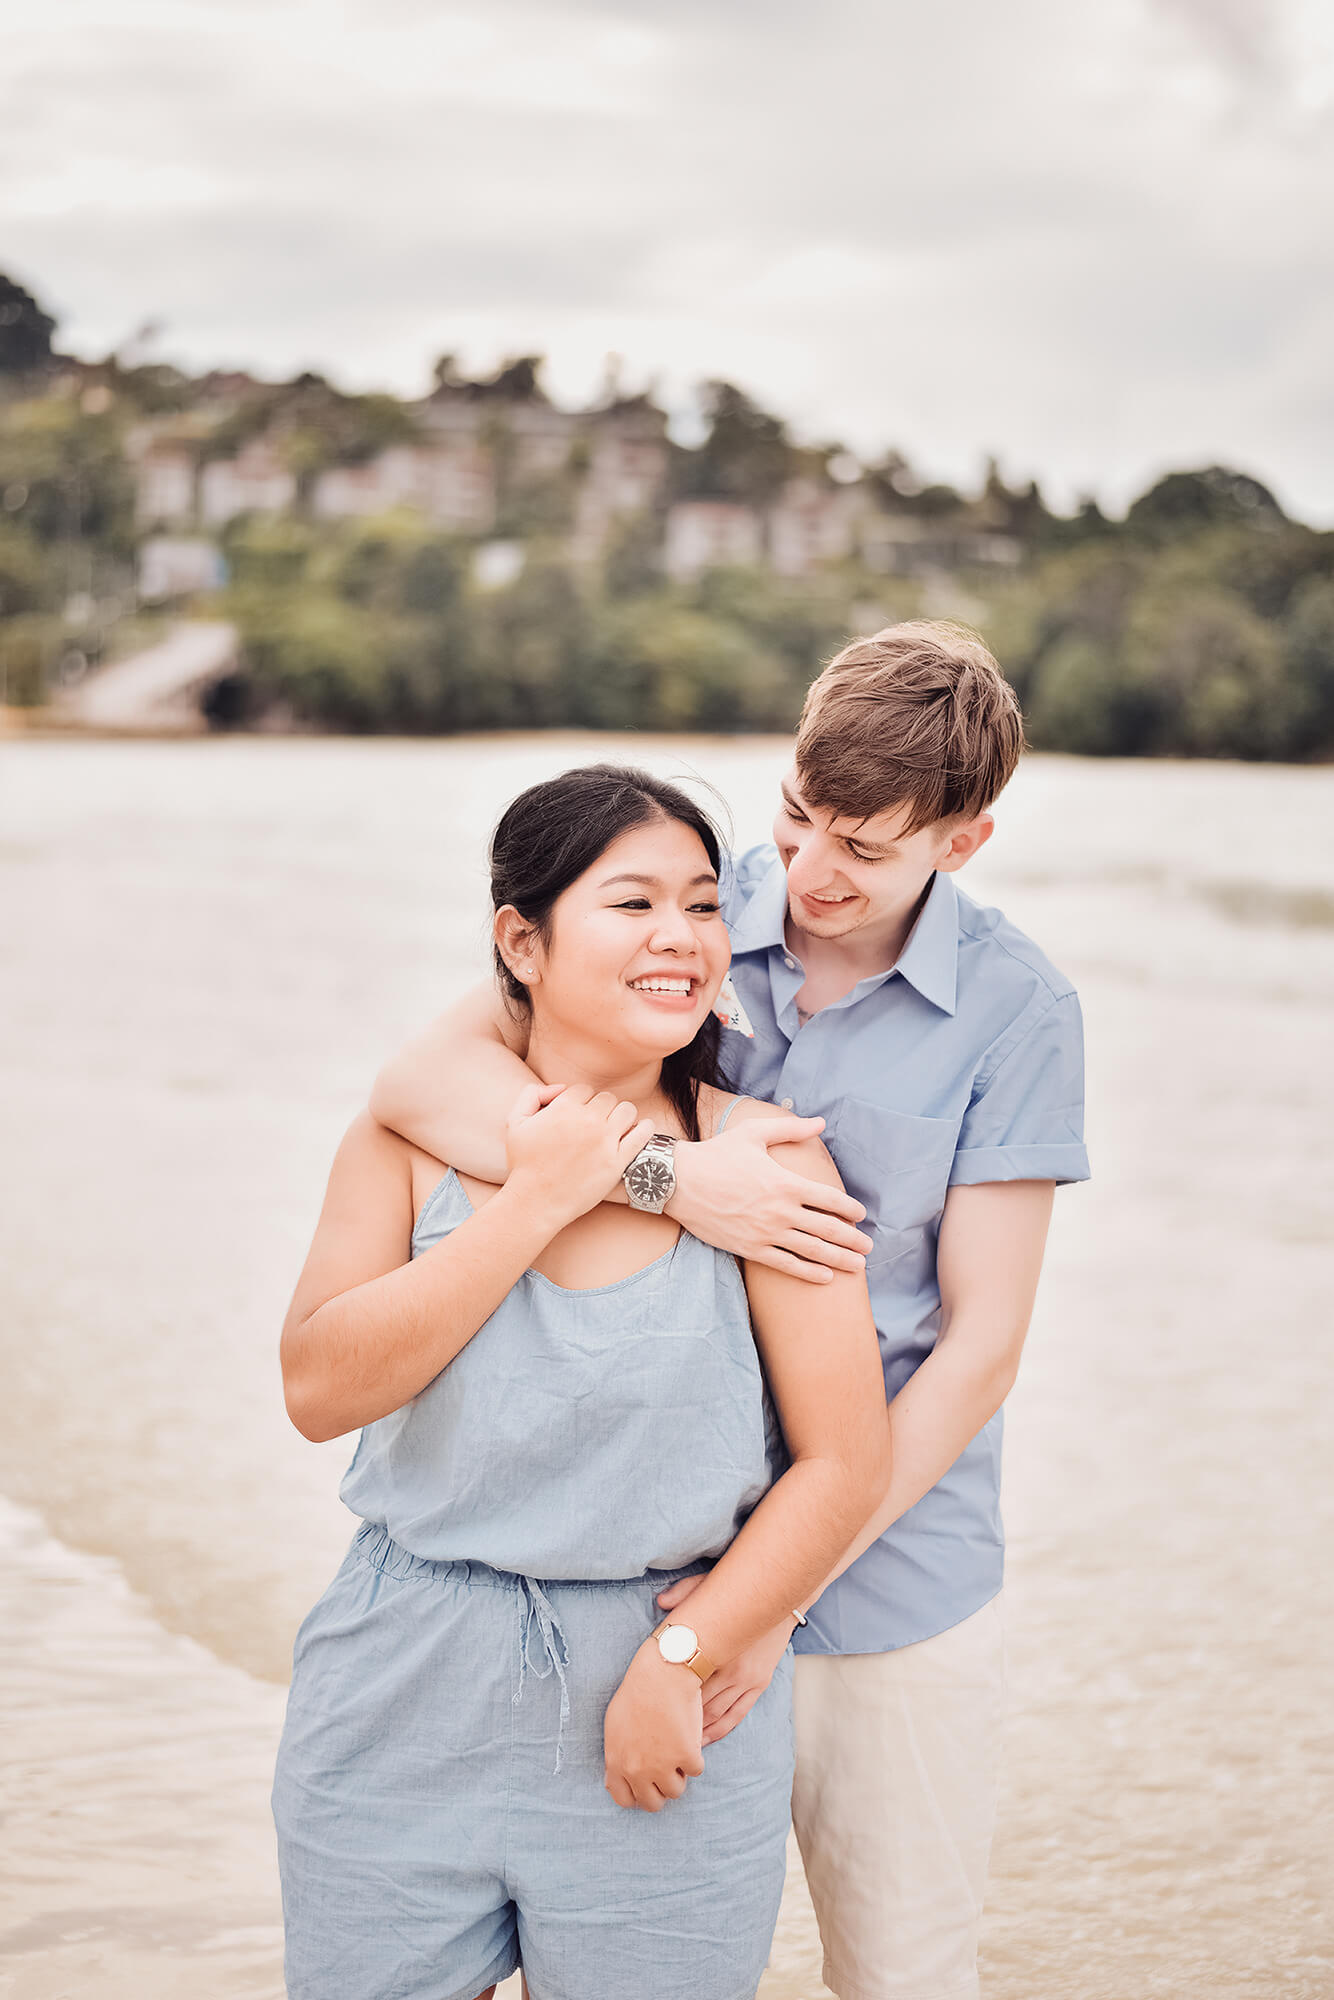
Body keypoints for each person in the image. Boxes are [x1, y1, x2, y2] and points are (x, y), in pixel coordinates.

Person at [370, 619, 1091, 2000]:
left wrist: (773, 1592)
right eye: (797, 818)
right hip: (636, 1562)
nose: (809, 875)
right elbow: (421, 1084)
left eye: (863, 848)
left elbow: (980, 1344)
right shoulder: (680, 912)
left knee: (899, 1971)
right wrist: (670, 1180)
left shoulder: (1019, 1012)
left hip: (889, 1587)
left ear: (962, 842)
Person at [273, 765, 891, 2000]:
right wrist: (545, 1189)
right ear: (522, 937)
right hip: (399, 1680)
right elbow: (318, 1389)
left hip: (664, 1703)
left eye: (704, 904)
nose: (681, 937)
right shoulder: (400, 1144)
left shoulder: (764, 1165)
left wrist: (679, 1658)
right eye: (631, 902)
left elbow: (843, 1461)